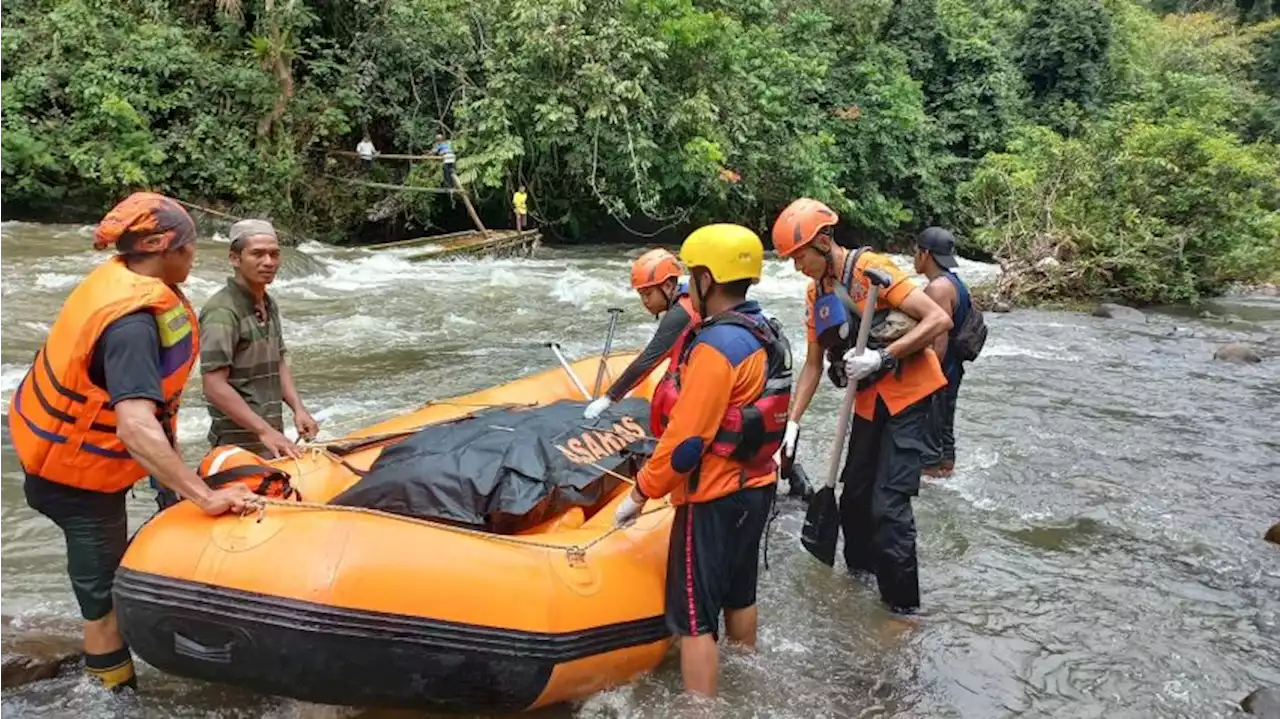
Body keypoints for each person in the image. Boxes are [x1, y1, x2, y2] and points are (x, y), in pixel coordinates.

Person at [8, 192, 261, 693]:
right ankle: (115, 701)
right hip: (77, 481)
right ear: (164, 249)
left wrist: (176, 487)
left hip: (75, 461)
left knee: (132, 552)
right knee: (102, 610)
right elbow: (135, 426)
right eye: (189, 248)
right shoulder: (132, 323)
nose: (193, 258)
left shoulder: (123, 281)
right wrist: (205, 495)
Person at [614, 224, 792, 698]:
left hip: (714, 495)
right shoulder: (766, 330)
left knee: (694, 617)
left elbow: (686, 442)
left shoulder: (716, 347)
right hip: (758, 487)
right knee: (741, 592)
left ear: (708, 279)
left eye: (694, 274)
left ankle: (701, 710)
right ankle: (746, 678)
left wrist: (639, 492)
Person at [773, 198, 952, 615]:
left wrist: (883, 358)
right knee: (853, 501)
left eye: (800, 257)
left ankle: (901, 611)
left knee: (888, 507)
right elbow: (814, 364)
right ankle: (862, 583)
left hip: (911, 398)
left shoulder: (873, 269)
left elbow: (937, 320)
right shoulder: (815, 293)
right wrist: (792, 424)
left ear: (822, 241)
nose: (798, 266)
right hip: (868, 404)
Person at [200, 220, 318, 462]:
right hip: (238, 446)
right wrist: (264, 431)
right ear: (234, 258)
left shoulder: (267, 302)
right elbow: (213, 385)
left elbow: (279, 360)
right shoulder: (221, 311)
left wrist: (298, 409)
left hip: (271, 436)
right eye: (257, 254)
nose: (269, 262)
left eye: (274, 254)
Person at [582, 248, 698, 427]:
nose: (645, 302)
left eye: (648, 294)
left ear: (667, 286)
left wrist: (609, 398)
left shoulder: (681, 313)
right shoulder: (689, 295)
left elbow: (648, 361)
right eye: (641, 295)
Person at [914, 227, 970, 478]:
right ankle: (946, 473)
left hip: (939, 371)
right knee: (944, 430)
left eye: (915, 251)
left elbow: (939, 342)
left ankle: (931, 482)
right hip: (954, 368)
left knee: (929, 440)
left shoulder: (937, 289)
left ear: (925, 254)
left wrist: (925, 382)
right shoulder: (956, 283)